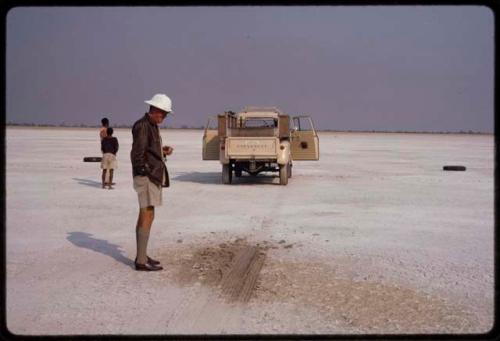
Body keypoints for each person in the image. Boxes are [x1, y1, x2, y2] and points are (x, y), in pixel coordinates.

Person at [130, 94, 174, 271]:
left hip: (152, 176)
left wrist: (161, 151)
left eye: (166, 114)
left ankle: (142, 254)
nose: (164, 117)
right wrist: (145, 172)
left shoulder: (152, 126)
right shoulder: (143, 126)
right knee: (146, 214)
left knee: (148, 214)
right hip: (147, 177)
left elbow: (147, 149)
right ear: (155, 110)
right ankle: (141, 261)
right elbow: (137, 155)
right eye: (163, 113)